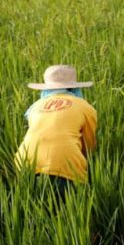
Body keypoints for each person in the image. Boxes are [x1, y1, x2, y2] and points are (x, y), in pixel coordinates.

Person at [15, 65, 97, 198]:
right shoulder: (85, 107)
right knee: (68, 207)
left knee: (34, 205)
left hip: (24, 162)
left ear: (46, 89)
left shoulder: (34, 107)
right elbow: (89, 145)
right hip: (65, 164)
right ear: (74, 88)